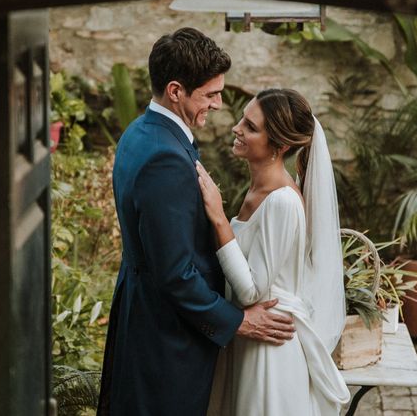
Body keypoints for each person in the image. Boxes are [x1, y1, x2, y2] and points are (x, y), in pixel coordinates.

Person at [97, 28, 297, 416]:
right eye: (210, 94)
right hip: (168, 340)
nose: (220, 104)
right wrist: (238, 321)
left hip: (145, 318)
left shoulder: (140, 133)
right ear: (175, 90)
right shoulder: (166, 159)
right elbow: (175, 272)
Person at [197, 88, 351, 416]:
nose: (237, 128)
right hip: (249, 337)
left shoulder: (281, 202)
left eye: (251, 127)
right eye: (243, 120)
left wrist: (220, 219)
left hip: (269, 352)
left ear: (279, 147)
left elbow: (254, 290)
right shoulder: (257, 190)